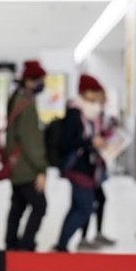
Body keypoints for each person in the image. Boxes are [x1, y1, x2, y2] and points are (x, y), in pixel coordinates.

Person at [53, 74, 108, 252]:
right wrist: (91, 142)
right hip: (77, 168)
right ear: (85, 92)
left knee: (77, 206)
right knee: (85, 207)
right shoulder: (75, 113)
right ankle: (61, 245)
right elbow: (69, 141)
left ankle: (61, 245)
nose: (96, 96)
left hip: (86, 167)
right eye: (94, 92)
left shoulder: (88, 113)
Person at [3, 60, 48, 252]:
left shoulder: (17, 97)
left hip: (15, 165)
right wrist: (41, 168)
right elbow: (30, 140)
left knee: (18, 205)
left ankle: (11, 242)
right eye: (40, 81)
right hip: (26, 167)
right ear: (29, 81)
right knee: (40, 205)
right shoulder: (27, 103)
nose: (42, 85)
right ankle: (26, 244)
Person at [79, 91, 116, 250]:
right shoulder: (88, 115)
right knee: (90, 202)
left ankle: (95, 234)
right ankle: (84, 238)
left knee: (99, 200)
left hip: (97, 167)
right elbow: (87, 139)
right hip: (88, 167)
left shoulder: (99, 116)